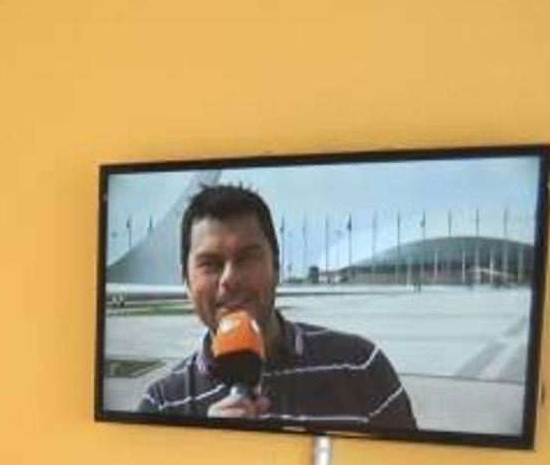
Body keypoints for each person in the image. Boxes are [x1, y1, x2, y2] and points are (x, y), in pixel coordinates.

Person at [136, 184, 417, 429]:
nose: (230, 279)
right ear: (185, 281)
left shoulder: (361, 367)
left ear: (277, 268)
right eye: (210, 263)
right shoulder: (163, 404)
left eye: (247, 258)